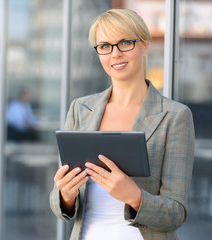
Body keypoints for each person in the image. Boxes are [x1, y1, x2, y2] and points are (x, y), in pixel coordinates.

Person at [49, 9, 195, 240]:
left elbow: (176, 213)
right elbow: (59, 202)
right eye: (105, 46)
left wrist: (134, 196)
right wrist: (66, 194)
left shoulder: (174, 116)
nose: (115, 54)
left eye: (125, 42)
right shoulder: (81, 109)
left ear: (144, 45)